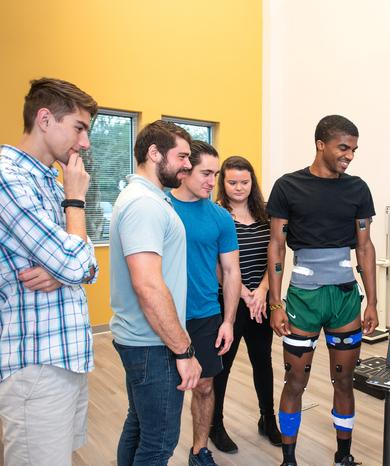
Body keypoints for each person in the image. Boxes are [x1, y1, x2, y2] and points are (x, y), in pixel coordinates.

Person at [0, 77, 98, 466]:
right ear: (45, 119)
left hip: (64, 357)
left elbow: (85, 264)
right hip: (35, 363)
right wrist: (75, 202)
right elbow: (76, 260)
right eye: (79, 128)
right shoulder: (7, 180)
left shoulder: (46, 182)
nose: (85, 143)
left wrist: (64, 268)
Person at [267, 115, 379, 466]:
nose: (350, 155)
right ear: (321, 144)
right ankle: (289, 460)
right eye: (343, 147)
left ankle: (343, 456)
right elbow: (276, 245)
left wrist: (372, 302)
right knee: (295, 382)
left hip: (345, 298)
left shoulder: (357, 188)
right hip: (304, 297)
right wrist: (275, 302)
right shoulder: (288, 186)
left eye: (354, 149)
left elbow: (365, 247)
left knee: (344, 382)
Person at [110, 120, 202, 465]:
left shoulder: (147, 199)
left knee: (139, 426)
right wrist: (183, 350)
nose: (188, 165)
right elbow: (147, 285)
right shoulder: (143, 204)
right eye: (182, 156)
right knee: (159, 442)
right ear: (154, 153)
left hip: (145, 340)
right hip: (153, 344)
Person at [169, 141, 240, 466]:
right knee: (165, 396)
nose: (213, 181)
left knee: (206, 385)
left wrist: (228, 320)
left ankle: (200, 449)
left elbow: (230, 270)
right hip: (162, 317)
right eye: (206, 173)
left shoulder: (220, 217)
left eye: (216, 173)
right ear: (184, 171)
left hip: (204, 315)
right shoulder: (161, 207)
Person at [210, 156, 282, 454]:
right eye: (232, 182)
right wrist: (243, 294)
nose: (239, 187)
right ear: (222, 183)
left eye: (244, 182)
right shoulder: (216, 214)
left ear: (252, 183)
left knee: (263, 363)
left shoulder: (265, 215)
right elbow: (217, 263)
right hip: (230, 301)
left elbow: (276, 254)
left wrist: (263, 290)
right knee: (222, 366)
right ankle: (215, 424)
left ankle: (267, 419)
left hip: (260, 301)